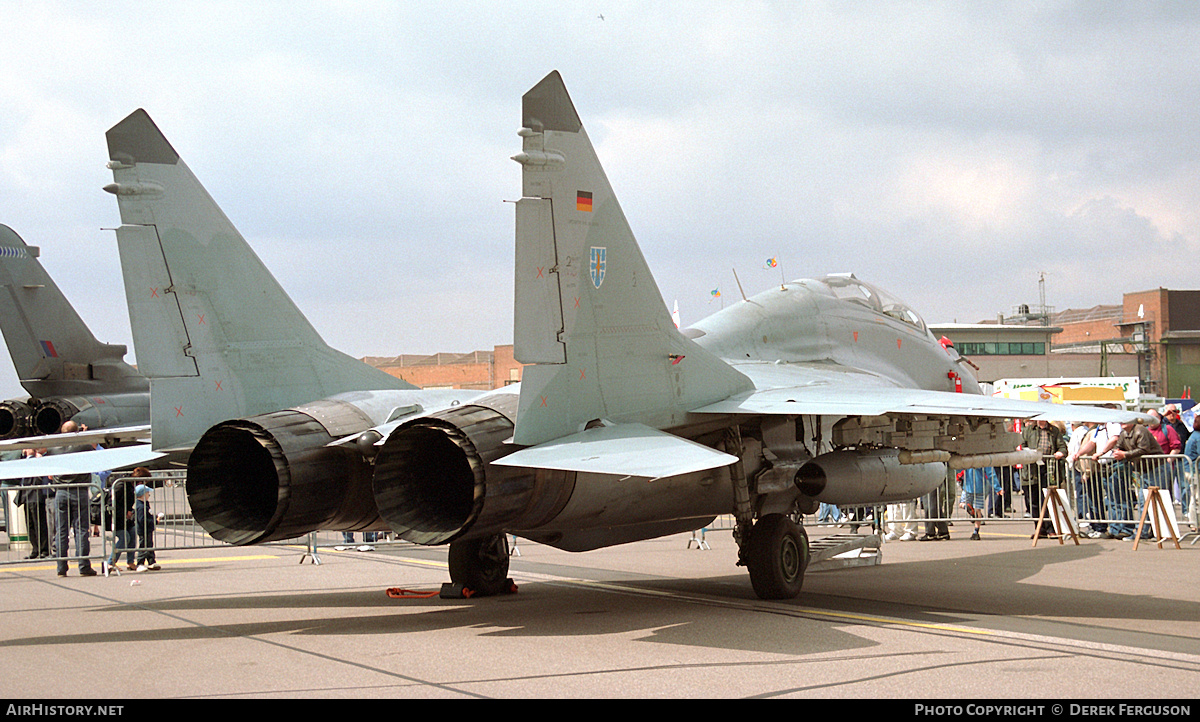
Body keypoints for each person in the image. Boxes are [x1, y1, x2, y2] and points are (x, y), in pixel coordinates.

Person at [1096, 419, 1164, 540]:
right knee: (1144, 501)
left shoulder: (1140, 430)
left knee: (1157, 500)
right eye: (1121, 421)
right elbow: (1118, 446)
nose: (1123, 423)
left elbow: (1144, 449)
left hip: (1156, 467)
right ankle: (1143, 532)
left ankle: (1155, 532)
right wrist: (1115, 452)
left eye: (1126, 421)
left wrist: (1124, 455)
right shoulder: (1123, 433)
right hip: (1142, 470)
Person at [48, 421, 97, 577]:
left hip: (61, 491)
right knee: (81, 530)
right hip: (80, 489)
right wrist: (84, 434)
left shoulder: (54, 448)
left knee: (61, 531)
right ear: (77, 431)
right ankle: (84, 566)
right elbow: (95, 456)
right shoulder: (84, 446)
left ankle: (61, 567)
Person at [1020, 419, 1067, 538]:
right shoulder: (1028, 430)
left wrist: (1060, 453)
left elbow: (1062, 447)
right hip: (1031, 469)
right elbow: (1022, 446)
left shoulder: (1054, 430)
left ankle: (1050, 528)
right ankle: (1039, 529)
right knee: (1033, 501)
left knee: (1046, 500)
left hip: (1048, 469)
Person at [17, 449, 52, 559]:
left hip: (35, 495)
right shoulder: (23, 460)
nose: (26, 450)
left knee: (39, 523)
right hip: (26, 495)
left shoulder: (37, 460)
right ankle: (35, 548)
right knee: (30, 524)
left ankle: (44, 549)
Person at [105, 471, 139, 573]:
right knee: (125, 537)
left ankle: (130, 562)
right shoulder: (120, 485)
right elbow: (111, 503)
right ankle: (111, 562)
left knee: (132, 533)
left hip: (125, 518)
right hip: (115, 518)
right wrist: (125, 512)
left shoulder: (130, 486)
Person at [959, 466, 1001, 540]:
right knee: (978, 510)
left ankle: (968, 508)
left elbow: (958, 467)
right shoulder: (983, 460)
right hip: (981, 487)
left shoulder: (967, 459)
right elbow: (991, 473)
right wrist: (997, 488)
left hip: (968, 486)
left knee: (961, 503)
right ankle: (976, 532)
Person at [134, 478, 160, 571]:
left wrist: (154, 517)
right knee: (143, 546)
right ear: (142, 495)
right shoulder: (140, 506)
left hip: (148, 529)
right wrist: (155, 521)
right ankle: (140, 563)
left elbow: (148, 515)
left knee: (149, 545)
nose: (149, 494)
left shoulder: (145, 504)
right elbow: (142, 520)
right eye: (147, 493)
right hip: (143, 529)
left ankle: (151, 561)